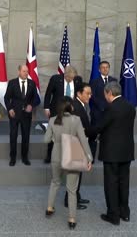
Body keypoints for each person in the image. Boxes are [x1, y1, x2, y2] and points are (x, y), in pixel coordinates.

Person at [90, 82, 135, 226]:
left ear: (109, 93)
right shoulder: (130, 107)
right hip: (126, 151)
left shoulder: (110, 108)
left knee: (111, 184)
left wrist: (86, 132)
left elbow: (100, 126)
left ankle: (113, 215)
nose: (105, 97)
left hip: (111, 152)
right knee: (124, 183)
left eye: (105, 94)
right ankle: (125, 213)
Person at [44, 96, 93, 230]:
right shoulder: (76, 120)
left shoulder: (53, 120)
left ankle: (49, 207)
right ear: (70, 107)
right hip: (72, 157)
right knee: (72, 190)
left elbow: (46, 140)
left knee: (55, 182)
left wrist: (55, 137)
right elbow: (83, 141)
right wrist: (89, 158)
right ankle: (72, 219)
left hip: (56, 157)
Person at [64, 82, 96, 210]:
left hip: (79, 143)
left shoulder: (80, 105)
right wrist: (96, 132)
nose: (90, 96)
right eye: (87, 93)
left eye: (90, 93)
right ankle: (70, 200)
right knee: (74, 175)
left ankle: (76, 196)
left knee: (78, 174)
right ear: (79, 93)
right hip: (76, 144)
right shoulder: (76, 107)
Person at [43, 66, 83, 164]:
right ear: (65, 74)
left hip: (72, 111)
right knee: (54, 133)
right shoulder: (55, 79)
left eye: (72, 78)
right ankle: (49, 156)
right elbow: (48, 93)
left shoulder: (78, 80)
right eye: (69, 78)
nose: (71, 80)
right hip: (57, 110)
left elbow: (80, 94)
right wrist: (46, 107)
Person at [4, 65, 36, 166]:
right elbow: (6, 98)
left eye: (27, 71)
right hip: (14, 115)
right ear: (19, 71)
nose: (26, 73)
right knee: (13, 136)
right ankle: (12, 158)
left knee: (26, 136)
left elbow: (35, 98)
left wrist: (31, 105)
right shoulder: (12, 83)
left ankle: (24, 158)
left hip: (26, 115)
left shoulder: (32, 83)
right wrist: (9, 109)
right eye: (24, 71)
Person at [89, 60, 117, 161]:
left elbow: (116, 95)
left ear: (109, 68)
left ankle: (107, 156)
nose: (105, 69)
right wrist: (101, 106)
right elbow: (92, 96)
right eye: (103, 67)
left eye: (107, 67)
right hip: (97, 113)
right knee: (93, 137)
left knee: (109, 136)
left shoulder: (114, 81)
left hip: (111, 113)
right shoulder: (94, 82)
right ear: (99, 70)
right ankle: (91, 158)